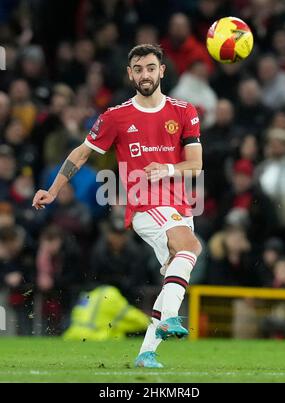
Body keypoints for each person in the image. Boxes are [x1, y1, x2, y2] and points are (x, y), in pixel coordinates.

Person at [32, 44, 202, 368]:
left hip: (179, 205)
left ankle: (146, 353)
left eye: (151, 68)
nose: (145, 74)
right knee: (190, 246)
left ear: (162, 70)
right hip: (143, 204)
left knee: (176, 270)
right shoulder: (116, 116)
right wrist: (53, 190)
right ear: (130, 74)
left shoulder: (184, 111)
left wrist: (166, 169)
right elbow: (81, 153)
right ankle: (170, 319)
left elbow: (195, 163)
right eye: (138, 69)